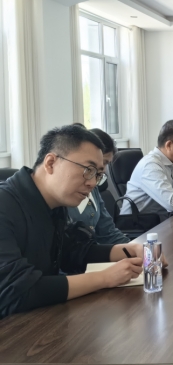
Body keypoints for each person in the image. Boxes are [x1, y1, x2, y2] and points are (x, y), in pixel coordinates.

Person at [0, 125, 151, 319]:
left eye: (98, 175)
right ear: (51, 163)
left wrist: (131, 250)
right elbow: (15, 290)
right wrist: (104, 278)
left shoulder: (54, 204)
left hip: (41, 319)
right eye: (88, 170)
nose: (93, 183)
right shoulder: (6, 205)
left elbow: (72, 252)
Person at [67, 128, 130, 245]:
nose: (104, 170)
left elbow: (109, 233)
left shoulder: (94, 190)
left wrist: (133, 248)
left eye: (106, 164)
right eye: (104, 162)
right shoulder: (64, 196)